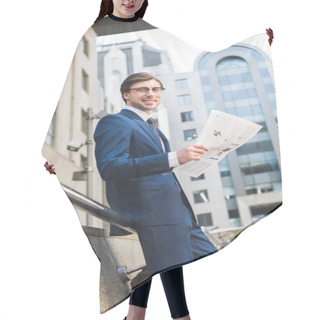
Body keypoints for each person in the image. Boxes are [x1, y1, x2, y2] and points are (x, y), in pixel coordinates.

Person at [94, 71, 218, 320]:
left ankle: (136, 317)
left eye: (156, 89)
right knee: (163, 264)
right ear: (126, 95)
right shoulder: (115, 122)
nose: (151, 94)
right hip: (147, 213)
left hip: (175, 212)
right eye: (143, 89)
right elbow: (110, 167)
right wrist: (173, 158)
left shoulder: (154, 129)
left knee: (159, 264)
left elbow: (153, 168)